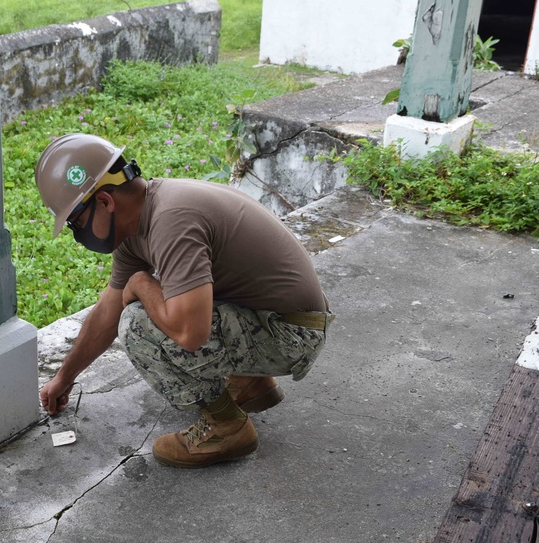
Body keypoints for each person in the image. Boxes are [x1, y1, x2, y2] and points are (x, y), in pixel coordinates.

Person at [34, 133, 331, 468]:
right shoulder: (139, 223)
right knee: (158, 296)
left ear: (105, 202)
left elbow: (191, 334)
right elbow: (107, 309)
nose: (78, 235)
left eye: (75, 222)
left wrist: (142, 283)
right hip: (276, 316)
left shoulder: (172, 221)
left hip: (293, 334)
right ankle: (251, 383)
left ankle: (227, 427)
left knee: (138, 324)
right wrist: (65, 377)